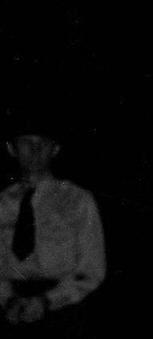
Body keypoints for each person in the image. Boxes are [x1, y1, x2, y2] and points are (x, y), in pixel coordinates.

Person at [1, 127, 106, 326]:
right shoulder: (2, 202)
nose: (35, 150)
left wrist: (47, 301)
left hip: (64, 308)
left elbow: (92, 270)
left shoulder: (77, 200)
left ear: (55, 149)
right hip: (11, 308)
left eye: (43, 142)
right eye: (26, 142)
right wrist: (8, 298)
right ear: (11, 149)